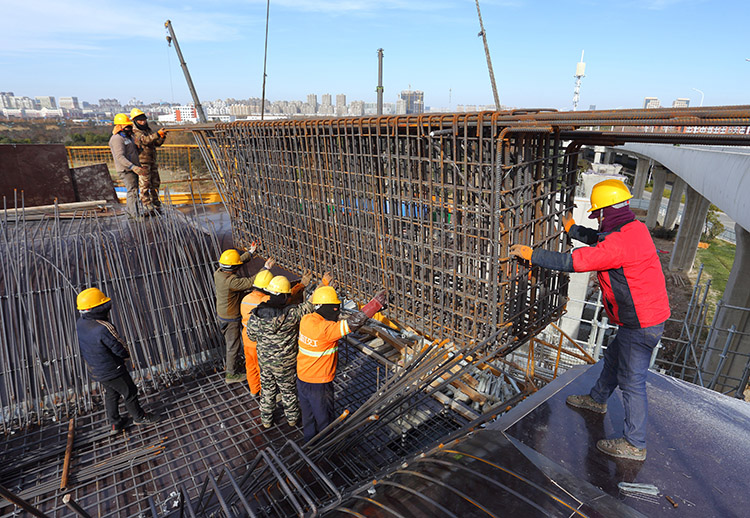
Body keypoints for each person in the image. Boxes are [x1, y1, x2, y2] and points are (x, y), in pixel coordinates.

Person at [509, 178, 670, 461]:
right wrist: (575, 230)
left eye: (598, 214)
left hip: (641, 323)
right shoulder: (634, 228)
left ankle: (634, 444)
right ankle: (597, 400)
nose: (598, 220)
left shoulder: (619, 242)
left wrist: (533, 255)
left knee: (632, 381)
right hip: (644, 318)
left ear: (606, 211)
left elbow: (575, 262)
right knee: (613, 359)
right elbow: (602, 240)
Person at [246, 273, 326, 429]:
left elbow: (251, 336)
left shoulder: (256, 314)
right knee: (288, 390)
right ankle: (292, 419)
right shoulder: (291, 315)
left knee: (267, 389)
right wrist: (322, 284)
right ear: (284, 296)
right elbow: (309, 305)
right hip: (285, 363)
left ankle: (266, 420)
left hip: (265, 361)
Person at [76, 287, 158, 433]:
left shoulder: (80, 323)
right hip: (113, 370)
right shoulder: (104, 328)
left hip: (96, 370)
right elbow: (119, 347)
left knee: (111, 393)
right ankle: (139, 417)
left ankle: (115, 423)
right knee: (130, 391)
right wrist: (126, 357)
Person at [296, 285, 368, 442]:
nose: (338, 312)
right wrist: (374, 306)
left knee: (308, 417)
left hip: (302, 379)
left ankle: (309, 443)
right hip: (319, 384)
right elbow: (352, 324)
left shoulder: (306, 320)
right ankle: (327, 447)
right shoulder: (326, 329)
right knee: (325, 419)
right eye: (336, 308)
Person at [241, 270, 313, 397]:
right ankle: (263, 392)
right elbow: (285, 299)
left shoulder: (246, 299)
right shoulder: (266, 301)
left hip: (247, 340)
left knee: (251, 366)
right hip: (263, 344)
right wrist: (301, 285)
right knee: (262, 369)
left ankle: (254, 390)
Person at [215, 245, 274, 383]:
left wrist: (250, 253)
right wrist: (265, 268)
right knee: (233, 346)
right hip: (230, 318)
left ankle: (232, 367)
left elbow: (236, 262)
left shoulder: (219, 272)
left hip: (223, 314)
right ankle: (231, 375)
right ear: (233, 268)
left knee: (232, 344)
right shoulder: (231, 282)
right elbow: (250, 282)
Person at [108, 113, 153, 217]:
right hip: (126, 170)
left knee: (134, 191)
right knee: (132, 191)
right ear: (119, 126)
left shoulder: (128, 137)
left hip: (132, 169)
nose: (129, 128)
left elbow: (133, 152)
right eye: (126, 126)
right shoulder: (117, 139)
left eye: (129, 126)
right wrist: (133, 167)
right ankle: (134, 215)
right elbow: (120, 157)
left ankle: (130, 213)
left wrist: (138, 147)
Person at [130, 108, 167, 212]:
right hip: (142, 162)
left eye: (144, 120)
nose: (143, 122)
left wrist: (162, 137)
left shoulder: (147, 130)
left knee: (155, 182)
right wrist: (157, 134)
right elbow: (145, 140)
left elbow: (156, 143)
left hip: (151, 160)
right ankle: (146, 204)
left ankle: (155, 202)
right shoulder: (135, 132)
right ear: (135, 121)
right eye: (140, 120)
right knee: (145, 184)